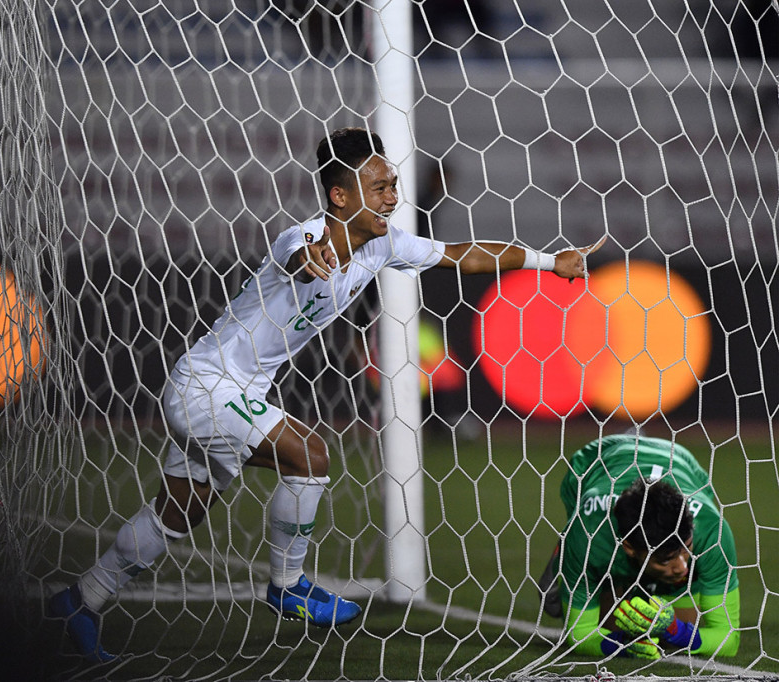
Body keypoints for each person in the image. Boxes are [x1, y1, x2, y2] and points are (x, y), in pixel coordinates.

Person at [50, 126, 602, 662]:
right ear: (340, 196)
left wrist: (551, 262)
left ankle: (79, 601)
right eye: (380, 187)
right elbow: (298, 253)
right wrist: (309, 261)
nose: (392, 197)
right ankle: (288, 586)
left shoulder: (384, 245)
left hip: (229, 389)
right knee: (310, 456)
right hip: (206, 386)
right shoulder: (306, 236)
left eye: (393, 185)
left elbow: (465, 253)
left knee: (178, 513)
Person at [539, 433, 741, 660]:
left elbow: (729, 640)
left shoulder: (712, 531)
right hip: (596, 464)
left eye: (686, 550)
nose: (682, 567)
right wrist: (621, 645)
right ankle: (566, 556)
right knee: (613, 626)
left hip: (678, 460)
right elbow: (579, 635)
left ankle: (658, 569)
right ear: (629, 547)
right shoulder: (589, 534)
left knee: (672, 642)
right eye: (665, 560)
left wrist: (676, 630)